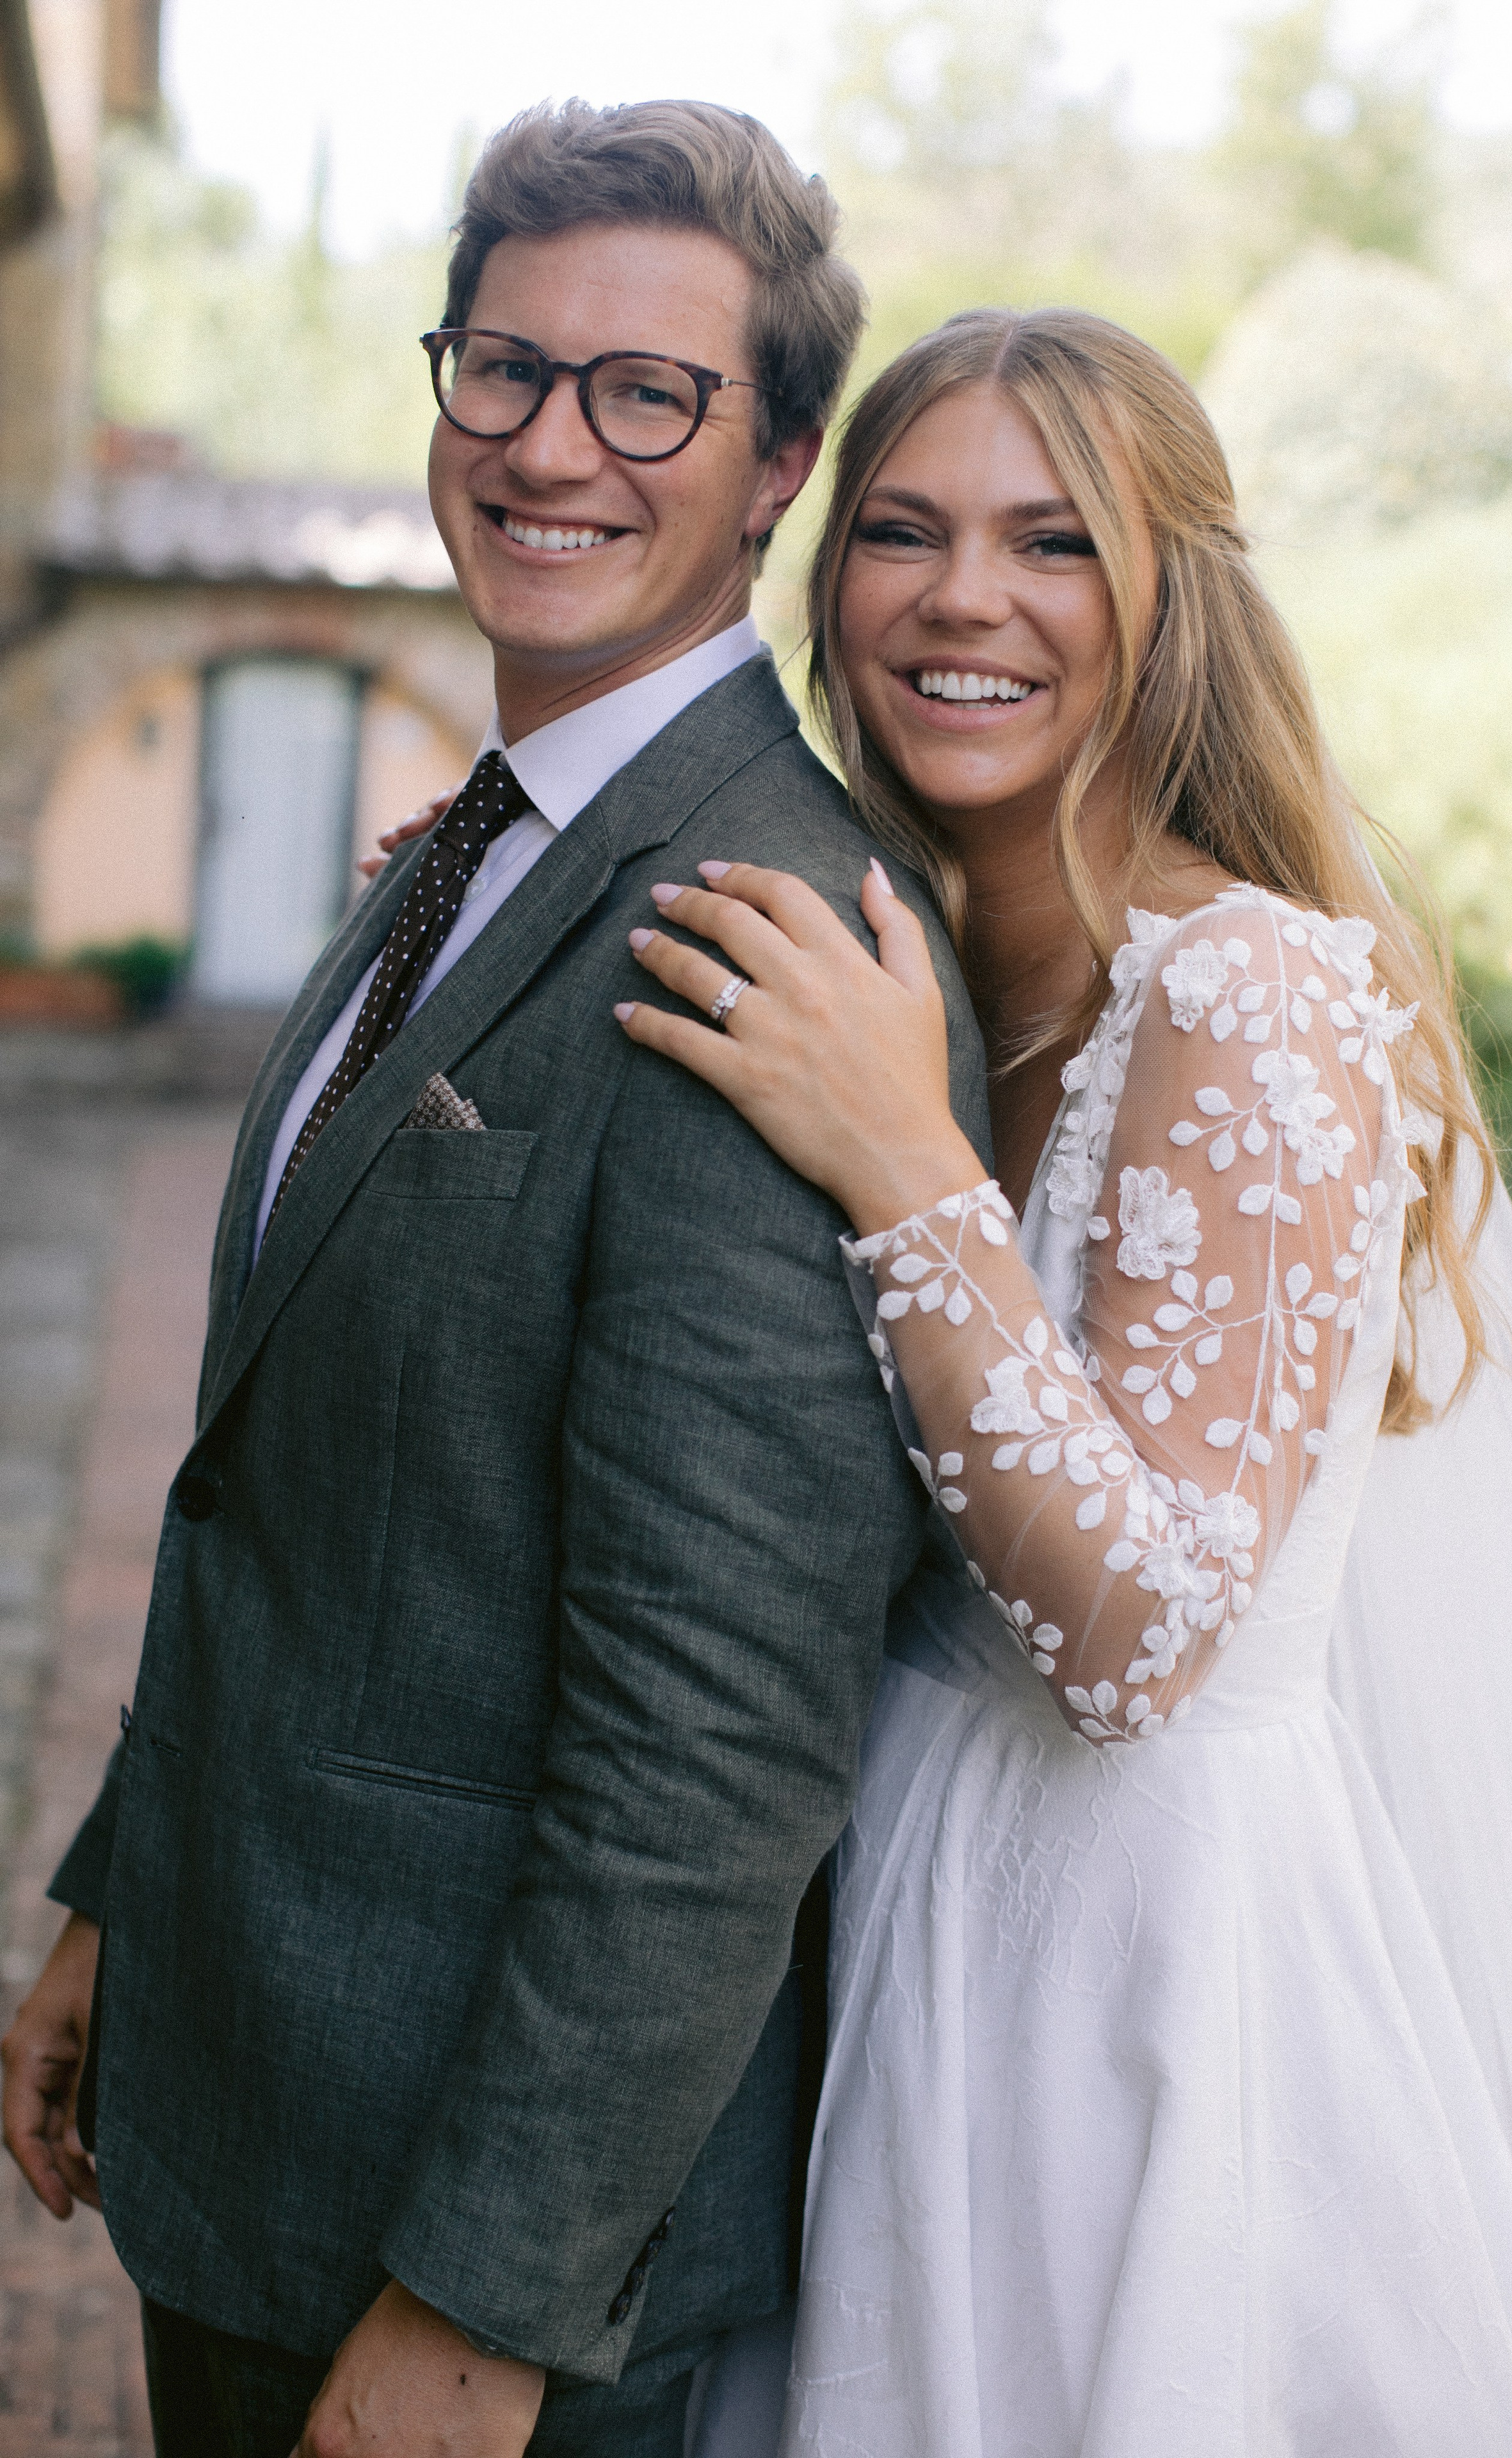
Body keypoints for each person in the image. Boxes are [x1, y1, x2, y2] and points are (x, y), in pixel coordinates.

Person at [0, 102, 986, 2458]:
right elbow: (301, 1490)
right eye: (503, 368)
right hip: (255, 2099)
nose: (554, 444)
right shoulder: (475, 839)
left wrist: (486, 2304)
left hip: (451, 2254)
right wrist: (123, 1900)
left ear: (776, 473)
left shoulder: (764, 935)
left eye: (650, 393)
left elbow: (717, 1744)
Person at [615, 309, 1512, 2454]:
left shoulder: (1247, 984)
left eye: (1052, 541)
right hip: (890, 1915)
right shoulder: (909, 951)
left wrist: (906, 1165)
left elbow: (1143, 1633)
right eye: (900, 532)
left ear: (1170, 600)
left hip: (1146, 1982)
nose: (963, 595)